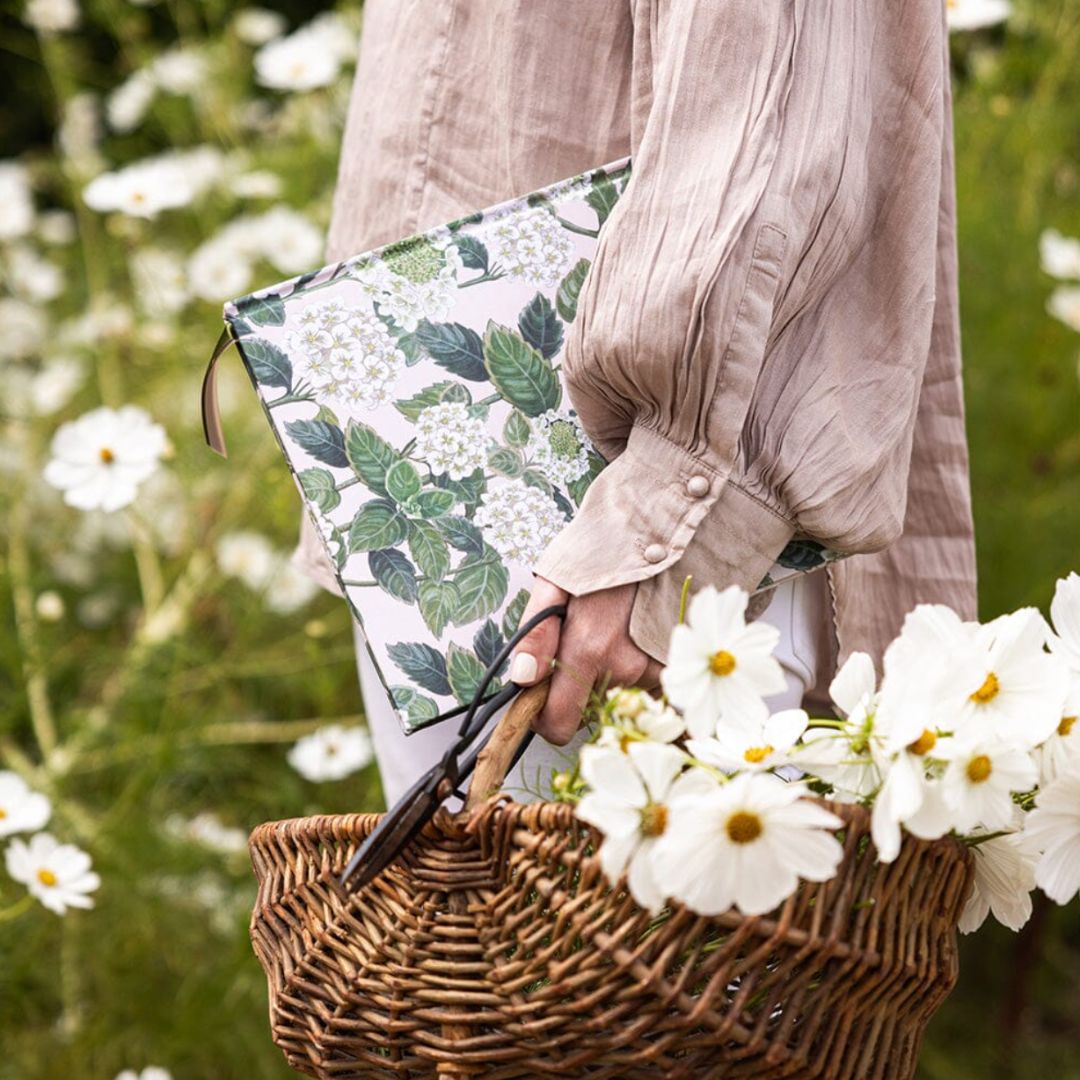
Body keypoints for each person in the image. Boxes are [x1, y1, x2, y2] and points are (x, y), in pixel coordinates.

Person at [292, 0, 978, 805]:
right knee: (460, 926)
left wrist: (663, 529)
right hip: (438, 526)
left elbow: (785, 82)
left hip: (629, 560)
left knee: (649, 927)